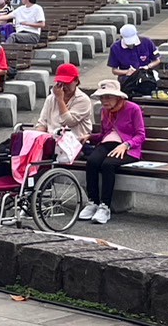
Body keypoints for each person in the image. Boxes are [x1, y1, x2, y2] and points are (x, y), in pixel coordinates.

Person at [80, 78, 146, 224]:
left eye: (108, 97)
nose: (104, 101)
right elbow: (105, 134)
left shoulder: (133, 109)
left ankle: (105, 207)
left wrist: (126, 145)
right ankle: (92, 202)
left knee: (107, 165)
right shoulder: (105, 111)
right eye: (102, 97)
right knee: (92, 162)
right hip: (107, 144)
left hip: (128, 149)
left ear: (118, 97)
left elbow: (141, 135)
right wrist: (90, 137)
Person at [35, 62, 94, 136]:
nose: (63, 87)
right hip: (52, 138)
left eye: (67, 83)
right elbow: (42, 123)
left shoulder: (83, 100)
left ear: (76, 81)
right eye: (60, 83)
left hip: (75, 139)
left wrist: (60, 100)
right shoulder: (50, 99)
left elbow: (68, 122)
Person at [108, 23, 160, 98]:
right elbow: (114, 70)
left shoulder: (147, 42)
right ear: (121, 37)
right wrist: (127, 72)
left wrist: (148, 66)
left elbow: (157, 60)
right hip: (127, 78)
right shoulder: (115, 47)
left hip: (146, 75)